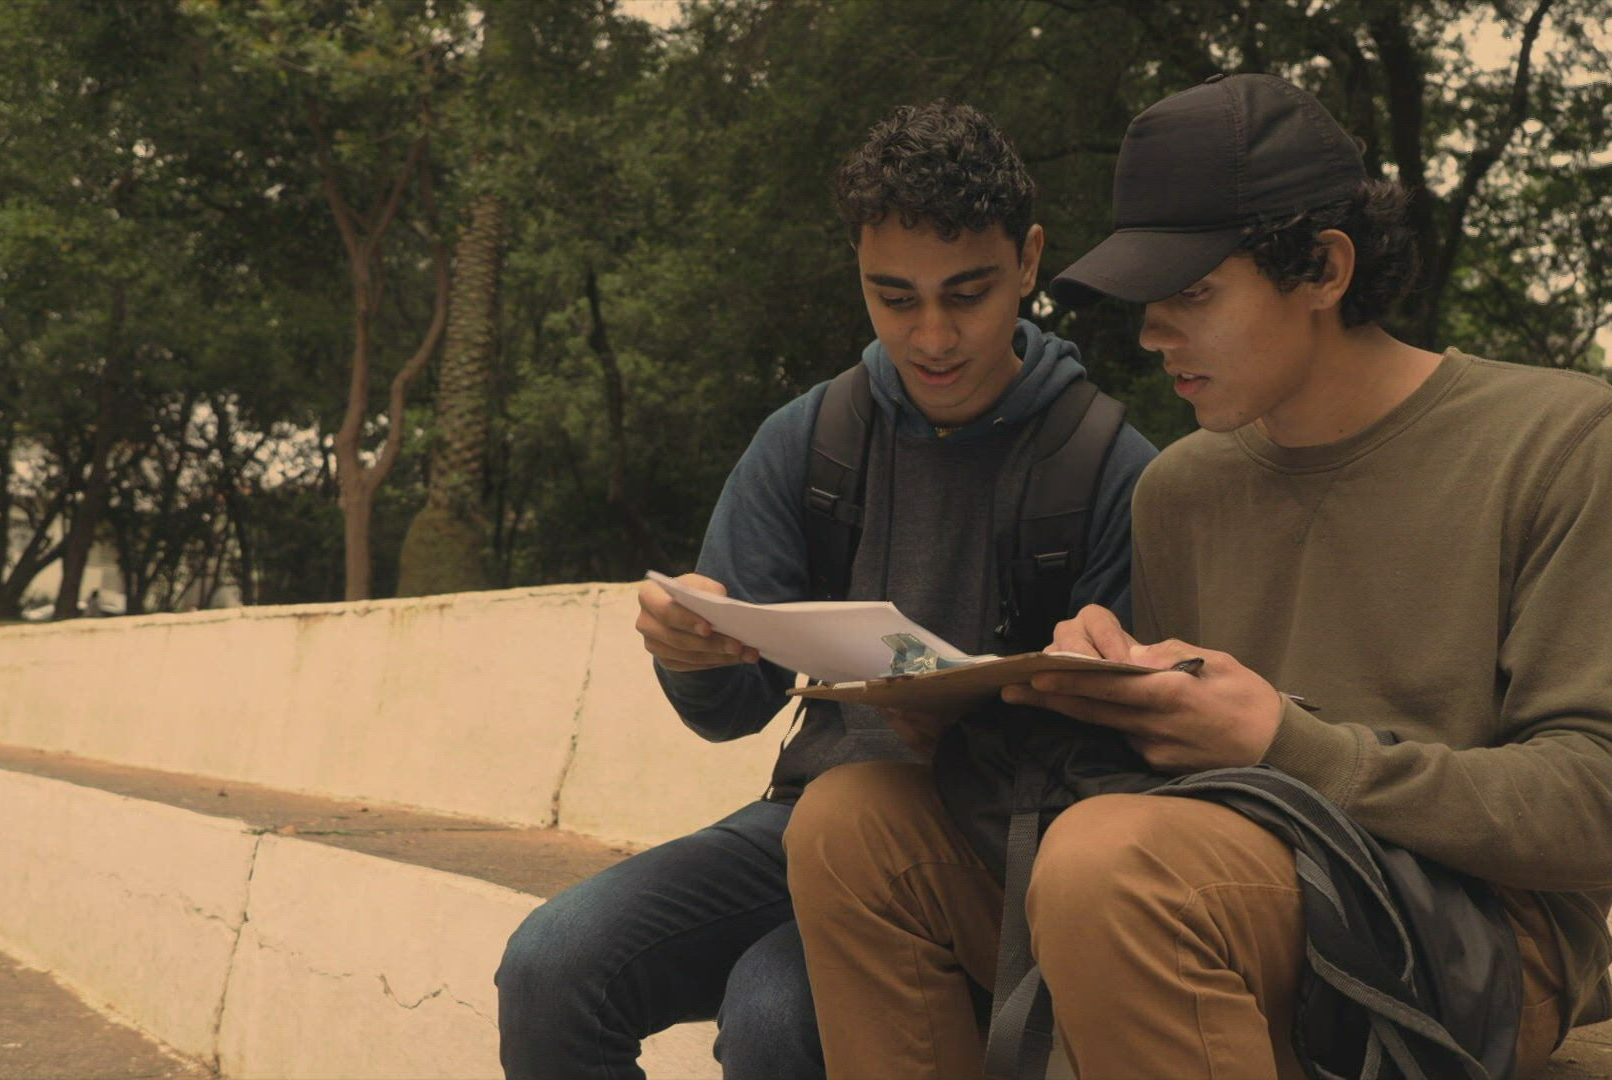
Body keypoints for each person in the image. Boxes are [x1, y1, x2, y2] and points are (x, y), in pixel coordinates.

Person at [784, 73, 1612, 1079]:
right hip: (1214, 886)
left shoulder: (1559, 438)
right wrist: (1048, 710)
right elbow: (1178, 785)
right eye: (1147, 300)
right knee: (853, 824)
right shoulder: (1182, 488)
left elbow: (1609, 807)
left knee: (1111, 864)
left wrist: (1289, 744)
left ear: (1324, 268)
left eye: (1193, 293)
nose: (1152, 332)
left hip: (1475, 937)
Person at [493, 100, 1158, 1080]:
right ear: (858, 270)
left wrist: (963, 728)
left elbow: (1127, 763)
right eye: (894, 298)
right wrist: (690, 652)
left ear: (1028, 261)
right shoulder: (812, 440)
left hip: (994, 852)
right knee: (550, 967)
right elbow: (727, 711)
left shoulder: (1112, 470)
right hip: (804, 821)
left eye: (967, 294)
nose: (932, 335)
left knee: (774, 1012)